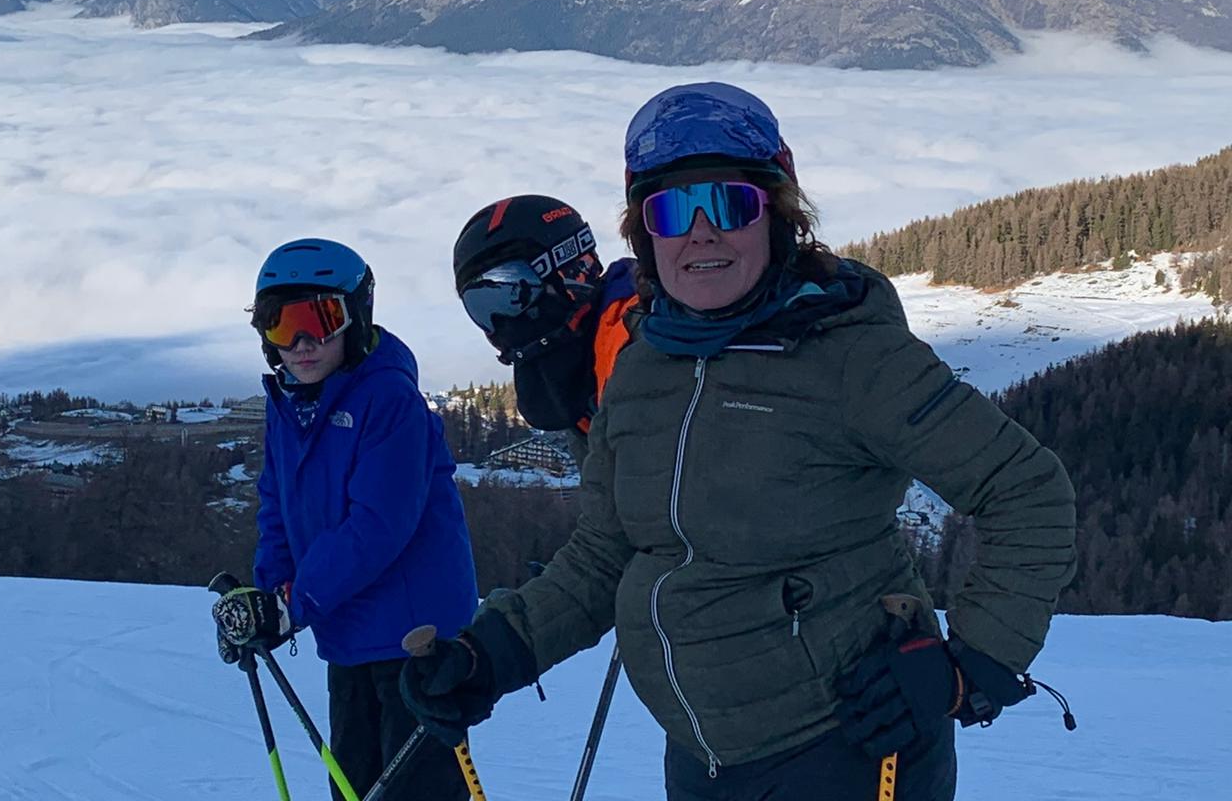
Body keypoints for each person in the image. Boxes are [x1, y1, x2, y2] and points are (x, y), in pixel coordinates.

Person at [401, 84, 1078, 801]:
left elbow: (1027, 491)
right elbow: (607, 553)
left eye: (729, 204)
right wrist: (495, 652)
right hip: (700, 759)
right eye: (670, 209)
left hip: (846, 753)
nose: (700, 231)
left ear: (778, 216)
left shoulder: (853, 357)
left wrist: (971, 667)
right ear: (644, 236)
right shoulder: (641, 368)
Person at [212, 237, 478, 801]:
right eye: (280, 326)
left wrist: (291, 605)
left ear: (356, 318)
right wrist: (268, 600)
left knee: (415, 791)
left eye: (321, 319)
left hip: (415, 639)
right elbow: (277, 507)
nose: (302, 343)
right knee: (355, 785)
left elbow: (379, 525)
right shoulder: (289, 402)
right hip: (347, 630)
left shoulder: (390, 399)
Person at [451, 194, 639, 464]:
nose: (500, 323)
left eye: (511, 292)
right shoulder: (582, 380)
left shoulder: (642, 340)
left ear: (568, 269)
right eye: (480, 306)